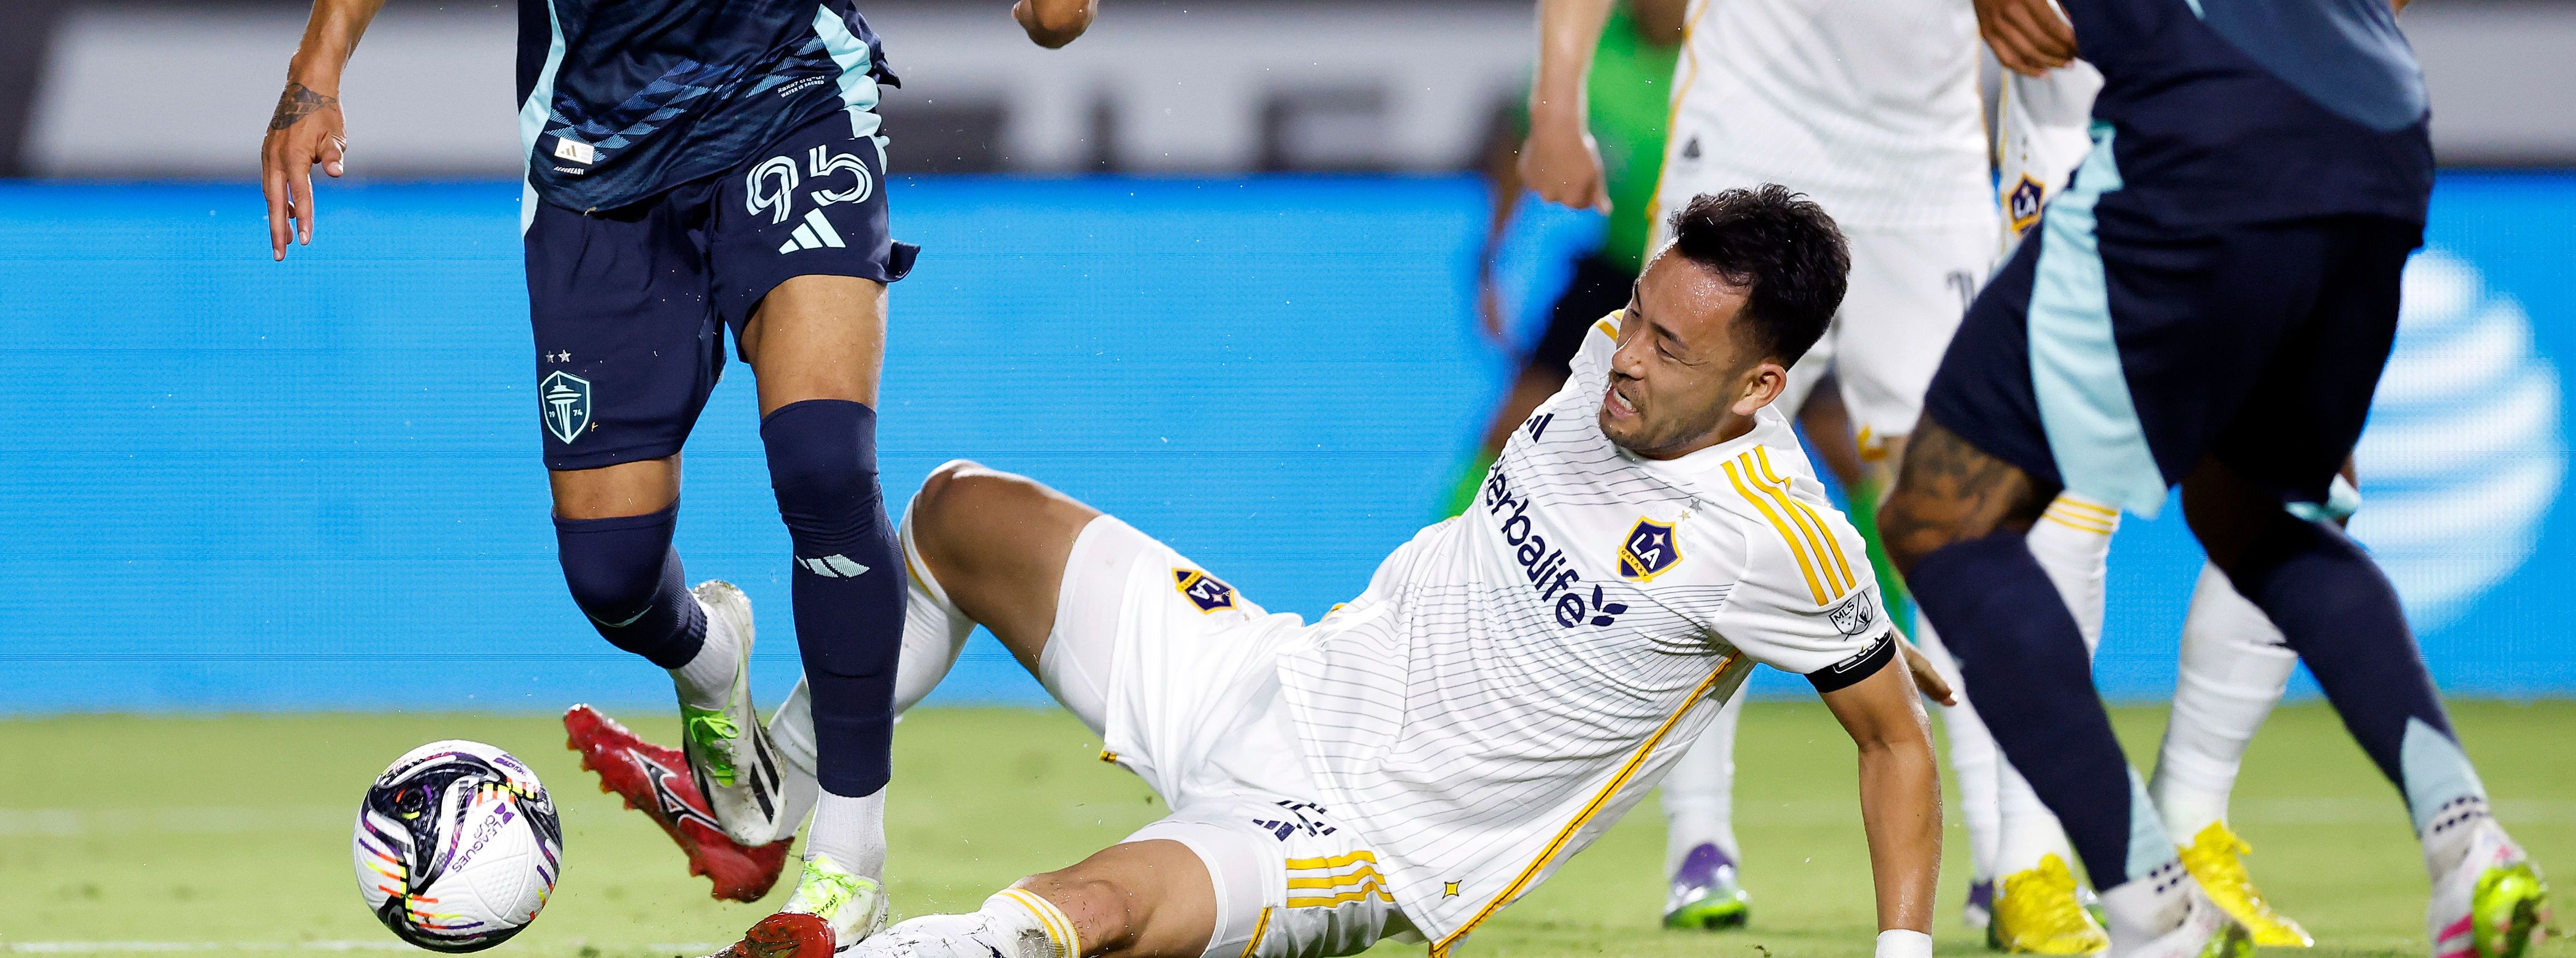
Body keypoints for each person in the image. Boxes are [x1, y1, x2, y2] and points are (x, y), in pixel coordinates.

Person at [1529, 0, 2550, 958]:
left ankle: (2135, 897)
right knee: (2261, 505)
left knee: (1942, 515)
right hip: (2378, 141)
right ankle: (2467, 838)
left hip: (2197, 156)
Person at [254, 0, 1099, 945]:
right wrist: (317, 74)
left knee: (824, 460)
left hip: (795, 100)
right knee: (608, 569)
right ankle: (711, 662)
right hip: (595, 152)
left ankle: (850, 850)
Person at [671, 184, 1947, 958]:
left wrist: (1900, 942)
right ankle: (776, 787)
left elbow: (1890, 742)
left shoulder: (1773, 538)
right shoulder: (1606, 348)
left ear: (1761, 385)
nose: (1626, 355)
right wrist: (1869, 621)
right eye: (1639, 315)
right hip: (1278, 673)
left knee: (1081, 916)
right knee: (960, 511)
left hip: (1353, 834)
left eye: (1671, 348)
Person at [1936, 0, 2478, 944]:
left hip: (2271, 102)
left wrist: (2349, 13)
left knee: (2292, 477)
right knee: (2060, 477)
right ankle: (2034, 862)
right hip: (2081, 79)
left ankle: (2194, 825)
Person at [1525, 0, 2015, 930]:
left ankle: (2008, 853)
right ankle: (1698, 843)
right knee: (1682, 501)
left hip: (1929, 185)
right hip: (1742, 178)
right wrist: (1559, 108)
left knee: (1955, 523)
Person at [1453, 0, 1683, 517]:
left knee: (1832, 439)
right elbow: (1518, 139)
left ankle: (1887, 590)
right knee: (1514, 427)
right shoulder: (1588, 58)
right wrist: (1491, 259)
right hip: (1623, 267)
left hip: (1721, 277)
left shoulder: (1726, 59)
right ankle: (1430, 568)